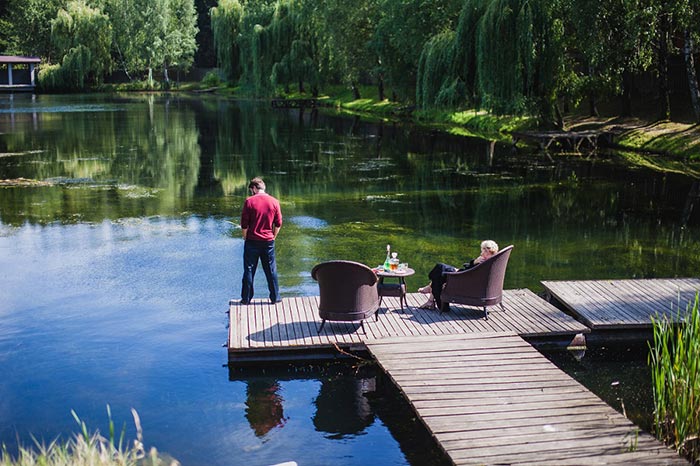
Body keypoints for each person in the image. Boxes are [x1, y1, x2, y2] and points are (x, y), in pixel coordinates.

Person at [418, 240, 499, 311]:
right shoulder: (492, 262)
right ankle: (430, 298)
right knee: (439, 271)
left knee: (439, 268)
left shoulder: (484, 262)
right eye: (482, 251)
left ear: (488, 251)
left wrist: (474, 262)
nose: (482, 253)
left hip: (461, 279)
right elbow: (471, 271)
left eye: (484, 251)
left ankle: (431, 291)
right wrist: (474, 262)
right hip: (464, 275)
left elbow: (471, 272)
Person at [240, 177, 282, 304]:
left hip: (252, 241)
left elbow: (244, 225)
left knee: (249, 269)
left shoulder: (249, 201)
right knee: (271, 270)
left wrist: (245, 237)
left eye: (251, 190)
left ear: (253, 188)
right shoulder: (274, 202)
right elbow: (278, 223)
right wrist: (273, 236)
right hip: (268, 241)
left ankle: (246, 299)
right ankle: (275, 298)